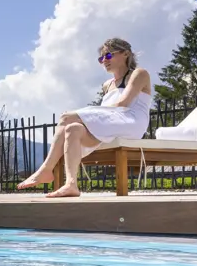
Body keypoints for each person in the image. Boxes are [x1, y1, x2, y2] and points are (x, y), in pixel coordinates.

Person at [17, 37, 152, 198]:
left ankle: (46, 169)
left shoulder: (139, 74)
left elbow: (123, 104)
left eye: (108, 56)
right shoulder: (107, 85)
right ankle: (71, 184)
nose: (104, 61)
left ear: (126, 54)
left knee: (66, 118)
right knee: (72, 129)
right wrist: (87, 117)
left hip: (131, 121)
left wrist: (85, 114)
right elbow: (109, 112)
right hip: (112, 123)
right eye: (101, 58)